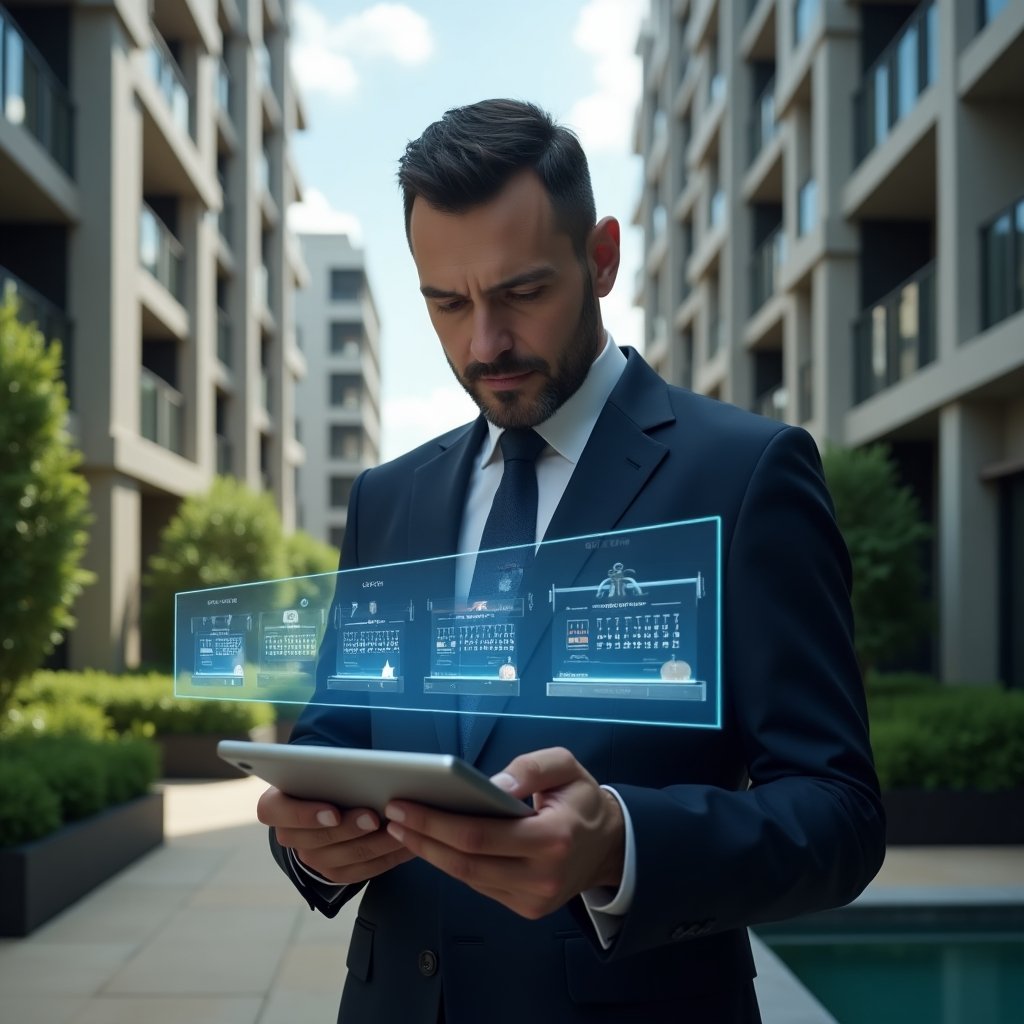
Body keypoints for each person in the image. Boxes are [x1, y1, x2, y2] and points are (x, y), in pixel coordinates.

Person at [257, 98, 885, 1024]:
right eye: (447, 302)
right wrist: (311, 845)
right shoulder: (386, 500)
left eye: (520, 293)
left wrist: (622, 847)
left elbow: (839, 814)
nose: (483, 345)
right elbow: (334, 737)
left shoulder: (746, 474)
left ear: (601, 258)